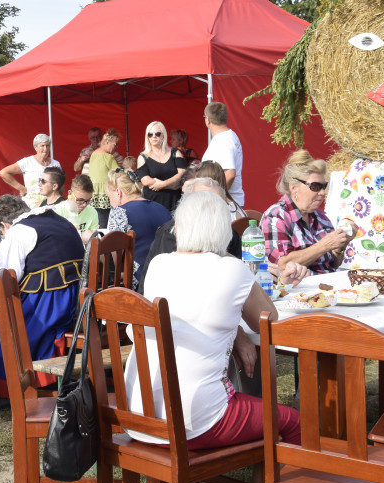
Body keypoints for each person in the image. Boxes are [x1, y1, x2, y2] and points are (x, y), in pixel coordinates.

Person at [126, 190, 300, 448]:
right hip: (195, 423)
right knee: (294, 421)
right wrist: (228, 256)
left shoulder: (160, 264)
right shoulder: (230, 268)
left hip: (139, 416)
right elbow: (268, 320)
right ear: (224, 230)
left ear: (179, 226)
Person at [0, 194, 83, 398]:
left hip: (47, 305)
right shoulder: (60, 220)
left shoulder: (20, 231)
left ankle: (7, 385)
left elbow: (6, 277)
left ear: (5, 225)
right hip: (76, 301)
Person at [260, 150, 354, 279]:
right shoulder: (276, 217)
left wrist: (341, 246)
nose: (322, 193)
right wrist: (325, 245)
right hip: (297, 289)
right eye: (315, 186)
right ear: (293, 187)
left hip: (326, 285)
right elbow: (282, 264)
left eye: (324, 186)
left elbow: (333, 265)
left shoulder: (321, 218)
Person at [106, 168, 172, 285]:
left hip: (138, 282)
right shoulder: (162, 209)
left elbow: (114, 257)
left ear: (118, 192)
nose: (110, 203)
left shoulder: (119, 212)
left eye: (109, 197)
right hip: (166, 276)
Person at [136, 120, 187, 212]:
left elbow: (182, 173)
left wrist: (163, 184)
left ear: (163, 135)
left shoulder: (175, 153)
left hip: (175, 202)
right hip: (153, 203)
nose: (154, 136)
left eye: (157, 133)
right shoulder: (143, 156)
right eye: (150, 134)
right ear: (147, 137)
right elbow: (145, 180)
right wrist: (171, 185)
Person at [201, 101, 245, 207]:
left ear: (208, 119)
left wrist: (216, 198)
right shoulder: (228, 136)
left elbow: (230, 174)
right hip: (229, 203)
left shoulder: (223, 140)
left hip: (226, 205)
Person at [0, 134, 61, 207]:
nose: (45, 149)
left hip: (51, 206)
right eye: (42, 146)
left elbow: (61, 187)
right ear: (35, 148)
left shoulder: (55, 164)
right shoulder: (27, 162)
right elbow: (3, 173)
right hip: (30, 207)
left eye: (47, 146)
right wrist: (20, 188)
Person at [88, 129, 122, 227]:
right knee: (104, 223)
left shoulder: (94, 154)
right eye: (115, 144)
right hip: (104, 195)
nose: (116, 147)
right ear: (107, 142)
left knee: (95, 223)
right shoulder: (108, 157)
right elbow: (118, 173)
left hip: (93, 194)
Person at [54, 173, 99, 241]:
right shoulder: (57, 211)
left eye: (88, 200)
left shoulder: (92, 212)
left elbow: (94, 242)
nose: (84, 204)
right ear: (70, 194)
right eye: (80, 200)